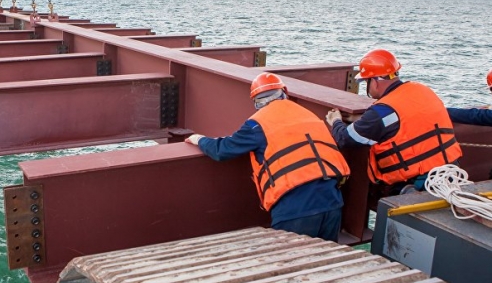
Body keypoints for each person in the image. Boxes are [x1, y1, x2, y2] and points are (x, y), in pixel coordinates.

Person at [186, 72, 350, 242]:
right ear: (285, 93)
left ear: (256, 103)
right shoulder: (310, 115)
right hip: (332, 203)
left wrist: (199, 139)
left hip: (294, 209)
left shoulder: (257, 124)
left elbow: (222, 150)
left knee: (289, 263)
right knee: (326, 262)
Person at [325, 48, 462, 194]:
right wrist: (362, 119)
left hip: (418, 185)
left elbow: (346, 139)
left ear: (375, 82)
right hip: (450, 173)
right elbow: (406, 118)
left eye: (366, 82)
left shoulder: (382, 111)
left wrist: (336, 121)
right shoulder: (423, 90)